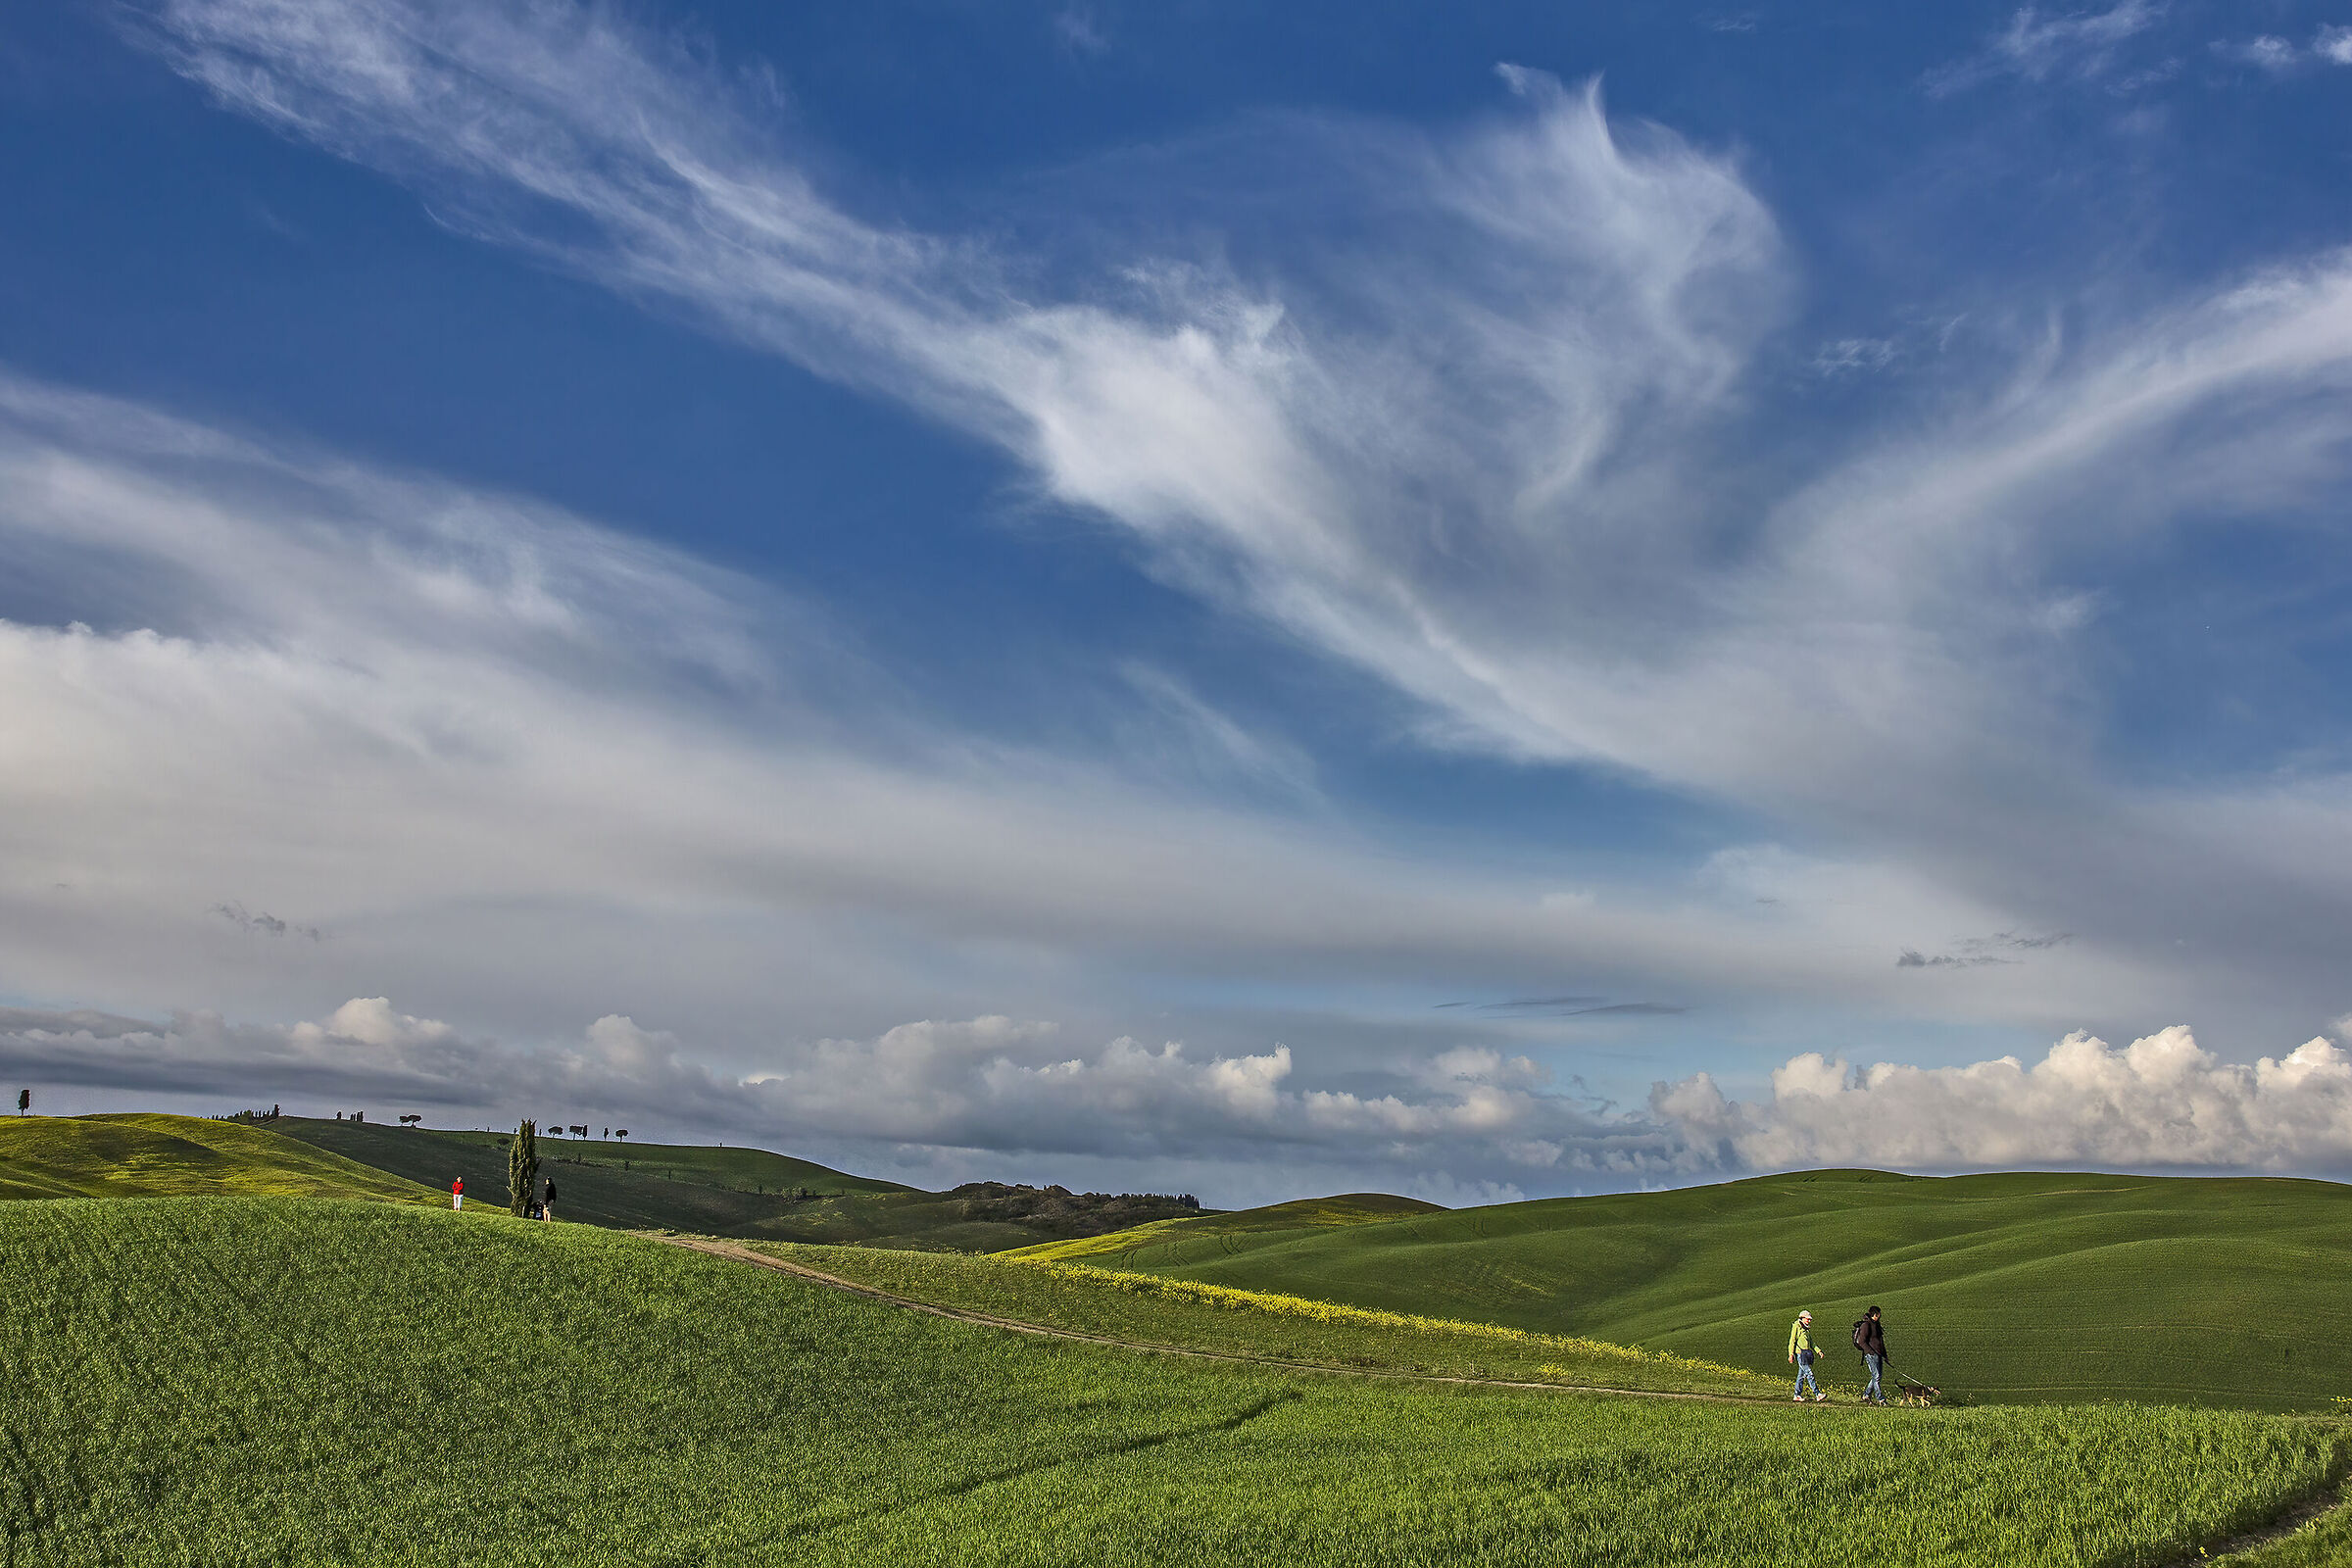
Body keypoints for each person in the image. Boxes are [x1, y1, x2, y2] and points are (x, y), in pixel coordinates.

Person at [1788, 1309, 1825, 1401]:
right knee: (1809, 1373)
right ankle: (1817, 1394)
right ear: (1802, 1318)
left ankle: (1797, 1395)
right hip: (1800, 1354)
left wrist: (1819, 1351)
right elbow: (1792, 1341)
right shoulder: (1797, 1326)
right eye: (1808, 1319)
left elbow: (1812, 1342)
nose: (1809, 1321)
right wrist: (1791, 1354)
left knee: (1801, 1376)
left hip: (1806, 1354)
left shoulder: (1806, 1329)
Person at [1854, 1306, 1888, 1404]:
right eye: (1879, 1314)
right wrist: (1871, 1352)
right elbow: (1861, 1341)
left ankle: (1866, 1395)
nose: (1880, 1315)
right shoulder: (1866, 1325)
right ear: (1875, 1314)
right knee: (1876, 1376)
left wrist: (1885, 1355)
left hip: (1878, 1354)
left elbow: (1880, 1341)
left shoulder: (1876, 1325)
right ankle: (1880, 1398)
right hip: (1871, 1354)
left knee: (1877, 1376)